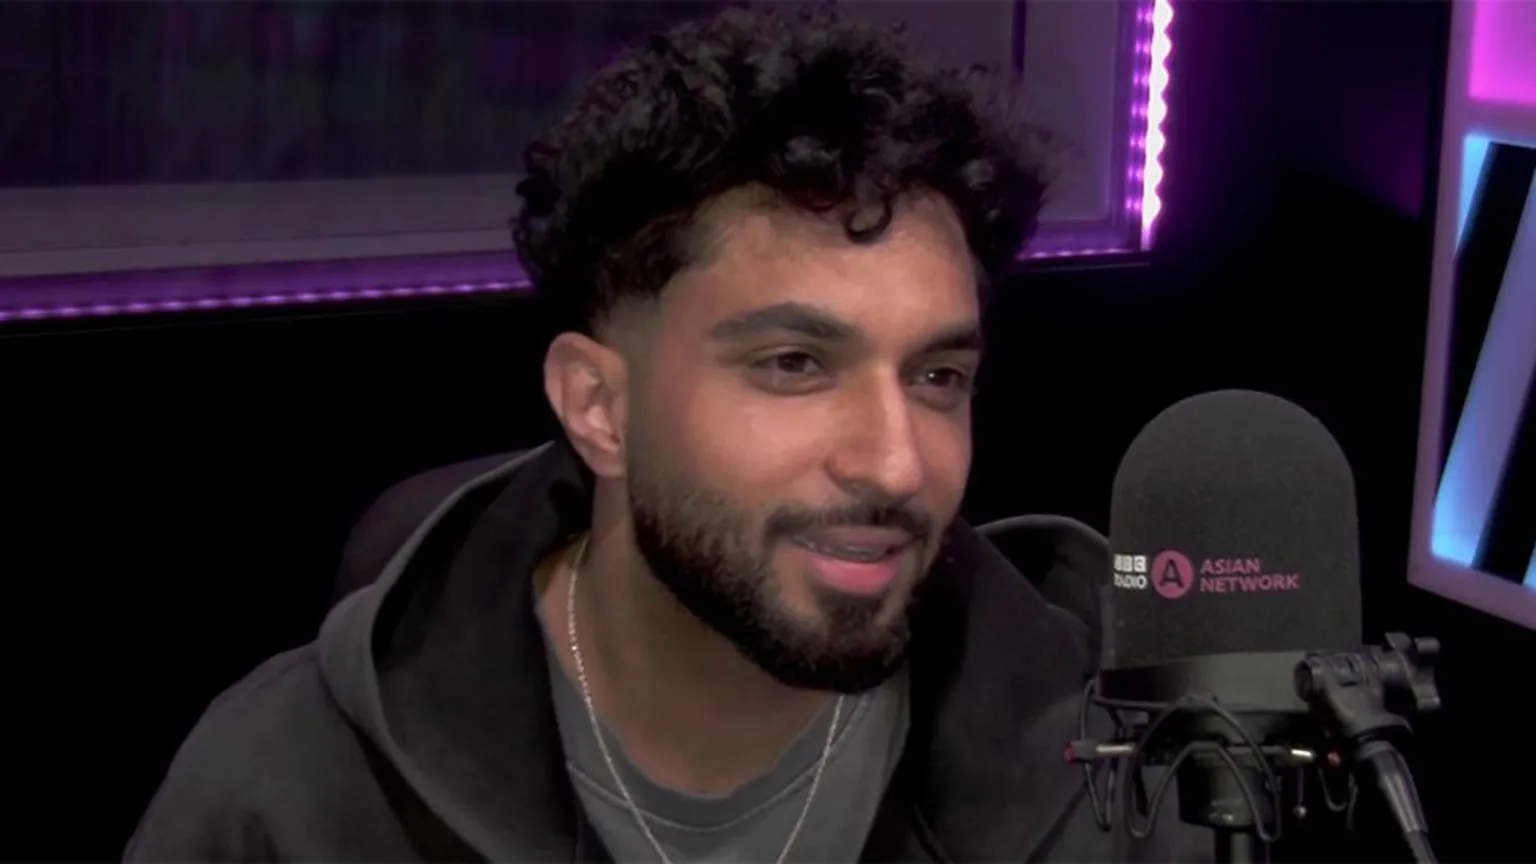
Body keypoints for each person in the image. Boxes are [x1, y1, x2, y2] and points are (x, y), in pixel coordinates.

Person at [127, 6, 1204, 862]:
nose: (897, 461)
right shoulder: (292, 794)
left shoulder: (1116, 784)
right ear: (599, 407)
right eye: (794, 365)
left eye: (937, 375)